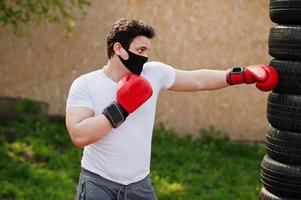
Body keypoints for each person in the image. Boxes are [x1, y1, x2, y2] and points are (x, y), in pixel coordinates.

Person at [65, 18, 279, 200]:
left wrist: (240, 75)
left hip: (139, 185)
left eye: (147, 50)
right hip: (98, 184)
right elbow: (79, 135)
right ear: (118, 48)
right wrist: (121, 108)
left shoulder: (153, 73)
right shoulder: (86, 84)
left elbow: (197, 79)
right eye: (140, 50)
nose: (145, 56)